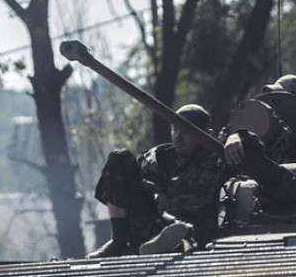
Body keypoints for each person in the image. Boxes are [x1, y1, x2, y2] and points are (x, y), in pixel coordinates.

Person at [88, 104, 228, 258]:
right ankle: (118, 242)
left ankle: (179, 245)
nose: (178, 137)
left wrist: (237, 137)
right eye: (175, 129)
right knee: (119, 157)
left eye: (187, 131)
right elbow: (131, 187)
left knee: (181, 234)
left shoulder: (216, 161)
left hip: (192, 232)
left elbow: (249, 153)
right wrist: (154, 189)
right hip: (153, 225)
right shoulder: (155, 159)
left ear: (205, 134)